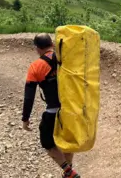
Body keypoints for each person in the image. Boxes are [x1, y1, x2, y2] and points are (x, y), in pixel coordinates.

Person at [22, 34, 80, 178]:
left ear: (37, 48)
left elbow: (29, 95)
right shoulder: (65, 59)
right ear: (51, 44)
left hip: (53, 111)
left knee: (47, 143)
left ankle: (68, 171)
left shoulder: (36, 66)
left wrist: (25, 118)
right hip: (72, 109)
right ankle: (69, 171)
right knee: (67, 140)